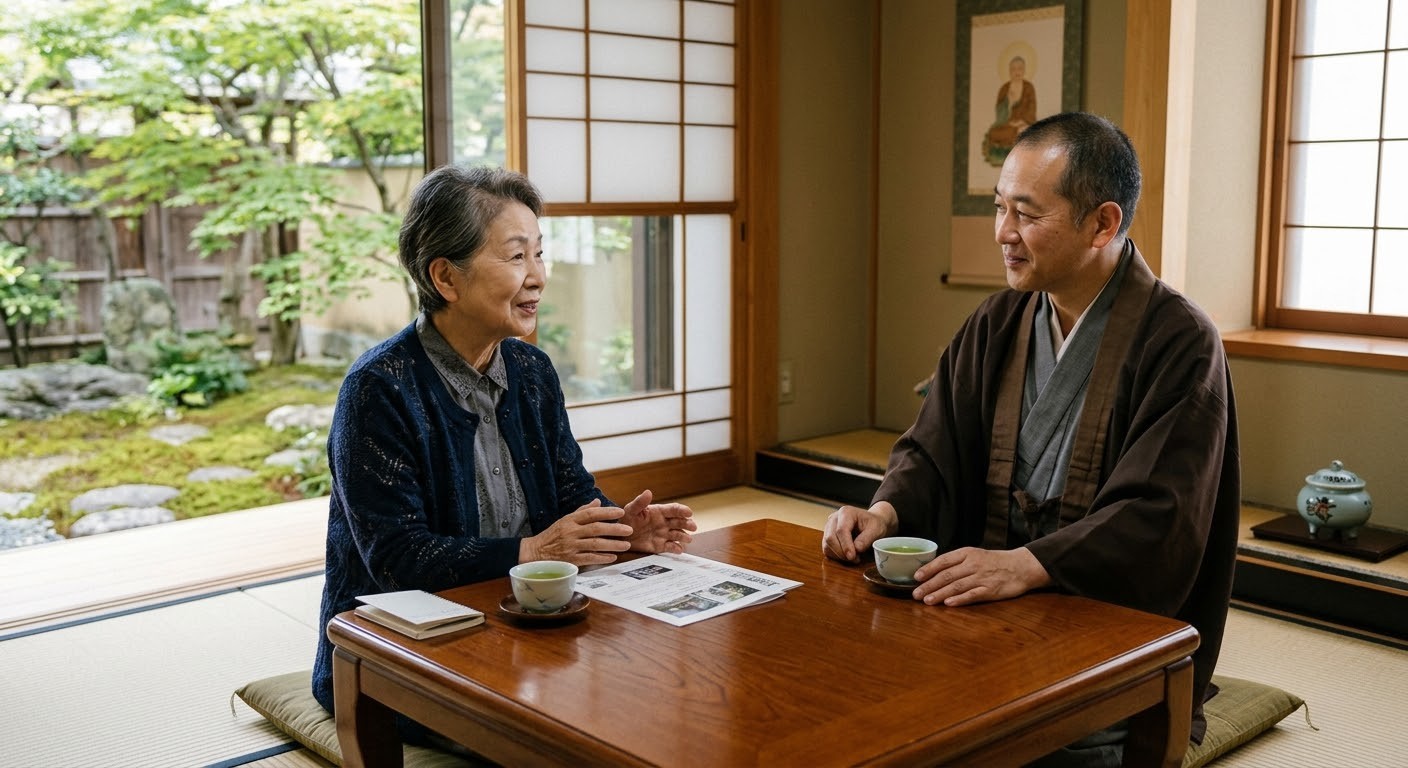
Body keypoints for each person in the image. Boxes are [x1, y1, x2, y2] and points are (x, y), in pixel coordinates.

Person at [823, 112, 1239, 766]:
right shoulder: (997, 320)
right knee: (861, 698)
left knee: (1059, 747)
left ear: (1103, 223)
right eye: (998, 209)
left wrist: (1026, 566)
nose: (1003, 234)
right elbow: (934, 447)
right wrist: (883, 513)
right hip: (976, 611)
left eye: (1026, 214)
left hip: (1096, 629)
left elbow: (1160, 515)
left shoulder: (1180, 341)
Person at [311, 165, 697, 747]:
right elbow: (396, 558)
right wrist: (532, 552)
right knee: (578, 736)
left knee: (666, 690)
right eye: (516, 258)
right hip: (401, 651)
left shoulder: (531, 370)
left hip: (526, 624)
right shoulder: (379, 387)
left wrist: (621, 531)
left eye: (540, 254)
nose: (539, 277)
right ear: (446, 276)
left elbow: (570, 493)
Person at [982, 55, 1037, 166]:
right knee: (993, 133)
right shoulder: (1004, 88)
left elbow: (1032, 108)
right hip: (1006, 124)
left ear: (1024, 70)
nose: (1017, 72)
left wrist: (1022, 121)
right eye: (1013, 69)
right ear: (1009, 71)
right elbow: (999, 113)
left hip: (1023, 124)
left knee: (1023, 130)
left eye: (1020, 68)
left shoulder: (1029, 87)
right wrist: (1009, 103)